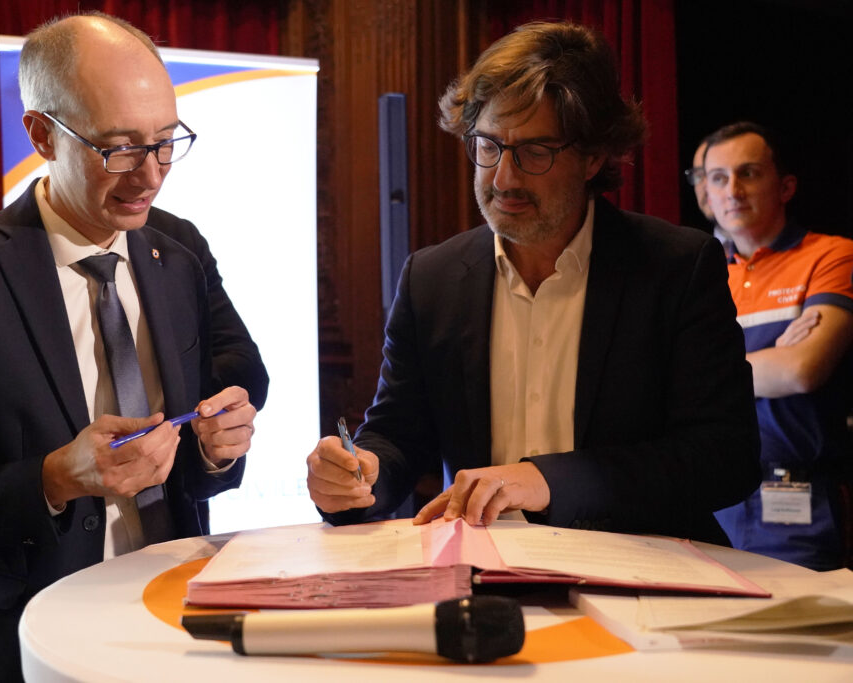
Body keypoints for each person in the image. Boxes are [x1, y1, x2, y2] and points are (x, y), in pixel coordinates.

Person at [0, 12, 268, 681]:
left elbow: (221, 408)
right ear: (41, 134)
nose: (150, 176)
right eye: (118, 149)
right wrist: (55, 478)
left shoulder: (177, 252)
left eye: (165, 142)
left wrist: (217, 444)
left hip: (172, 624)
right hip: (16, 645)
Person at [306, 21, 760, 544]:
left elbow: (725, 458)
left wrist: (547, 480)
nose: (503, 178)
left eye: (534, 152)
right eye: (489, 146)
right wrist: (359, 476)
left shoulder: (676, 267)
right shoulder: (432, 279)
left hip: (638, 572)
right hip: (484, 571)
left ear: (593, 157)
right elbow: (397, 435)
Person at [703, 121, 853, 570]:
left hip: (795, 501)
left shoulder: (832, 255)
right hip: (710, 501)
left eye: (748, 173)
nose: (732, 191)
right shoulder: (700, 275)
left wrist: (702, 375)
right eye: (718, 178)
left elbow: (801, 370)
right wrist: (772, 358)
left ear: (785, 187)